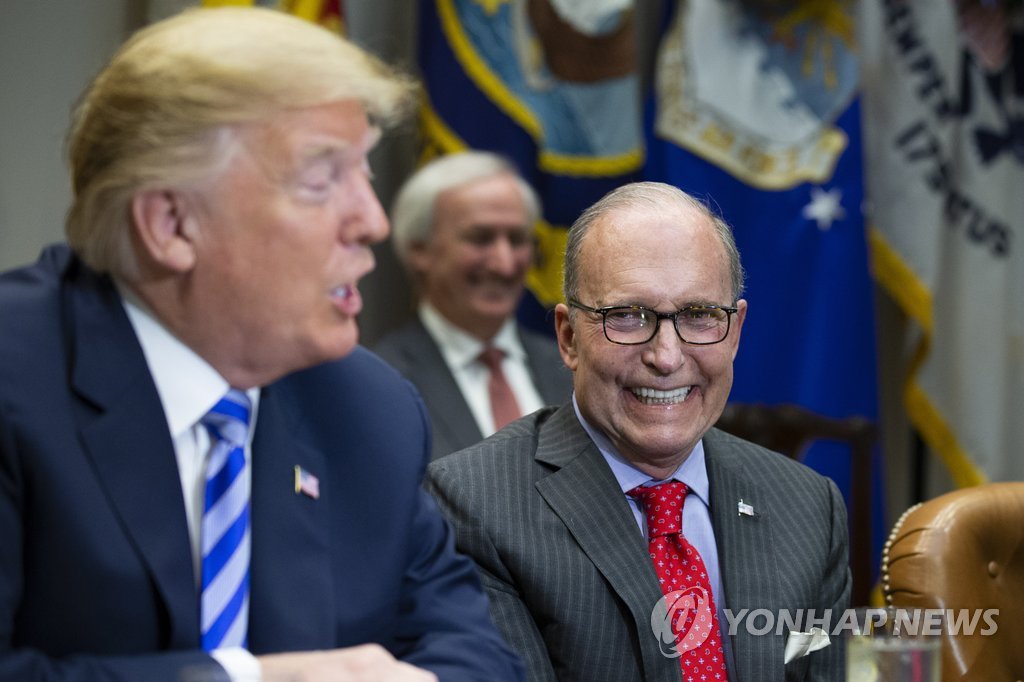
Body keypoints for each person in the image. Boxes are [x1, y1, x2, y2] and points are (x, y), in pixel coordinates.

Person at [0, 8, 523, 682]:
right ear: (171, 224)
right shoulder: (16, 376)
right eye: (321, 180)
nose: (373, 221)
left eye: (363, 173)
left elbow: (477, 656)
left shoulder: (371, 412)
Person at [426, 181, 851, 680]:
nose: (666, 357)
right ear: (569, 338)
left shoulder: (808, 506)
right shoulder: (473, 506)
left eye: (699, 315)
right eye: (627, 316)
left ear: (734, 332)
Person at [374, 151, 571, 459]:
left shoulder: (572, 369)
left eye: (517, 239)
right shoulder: (380, 383)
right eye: (480, 239)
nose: (504, 264)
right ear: (420, 250)